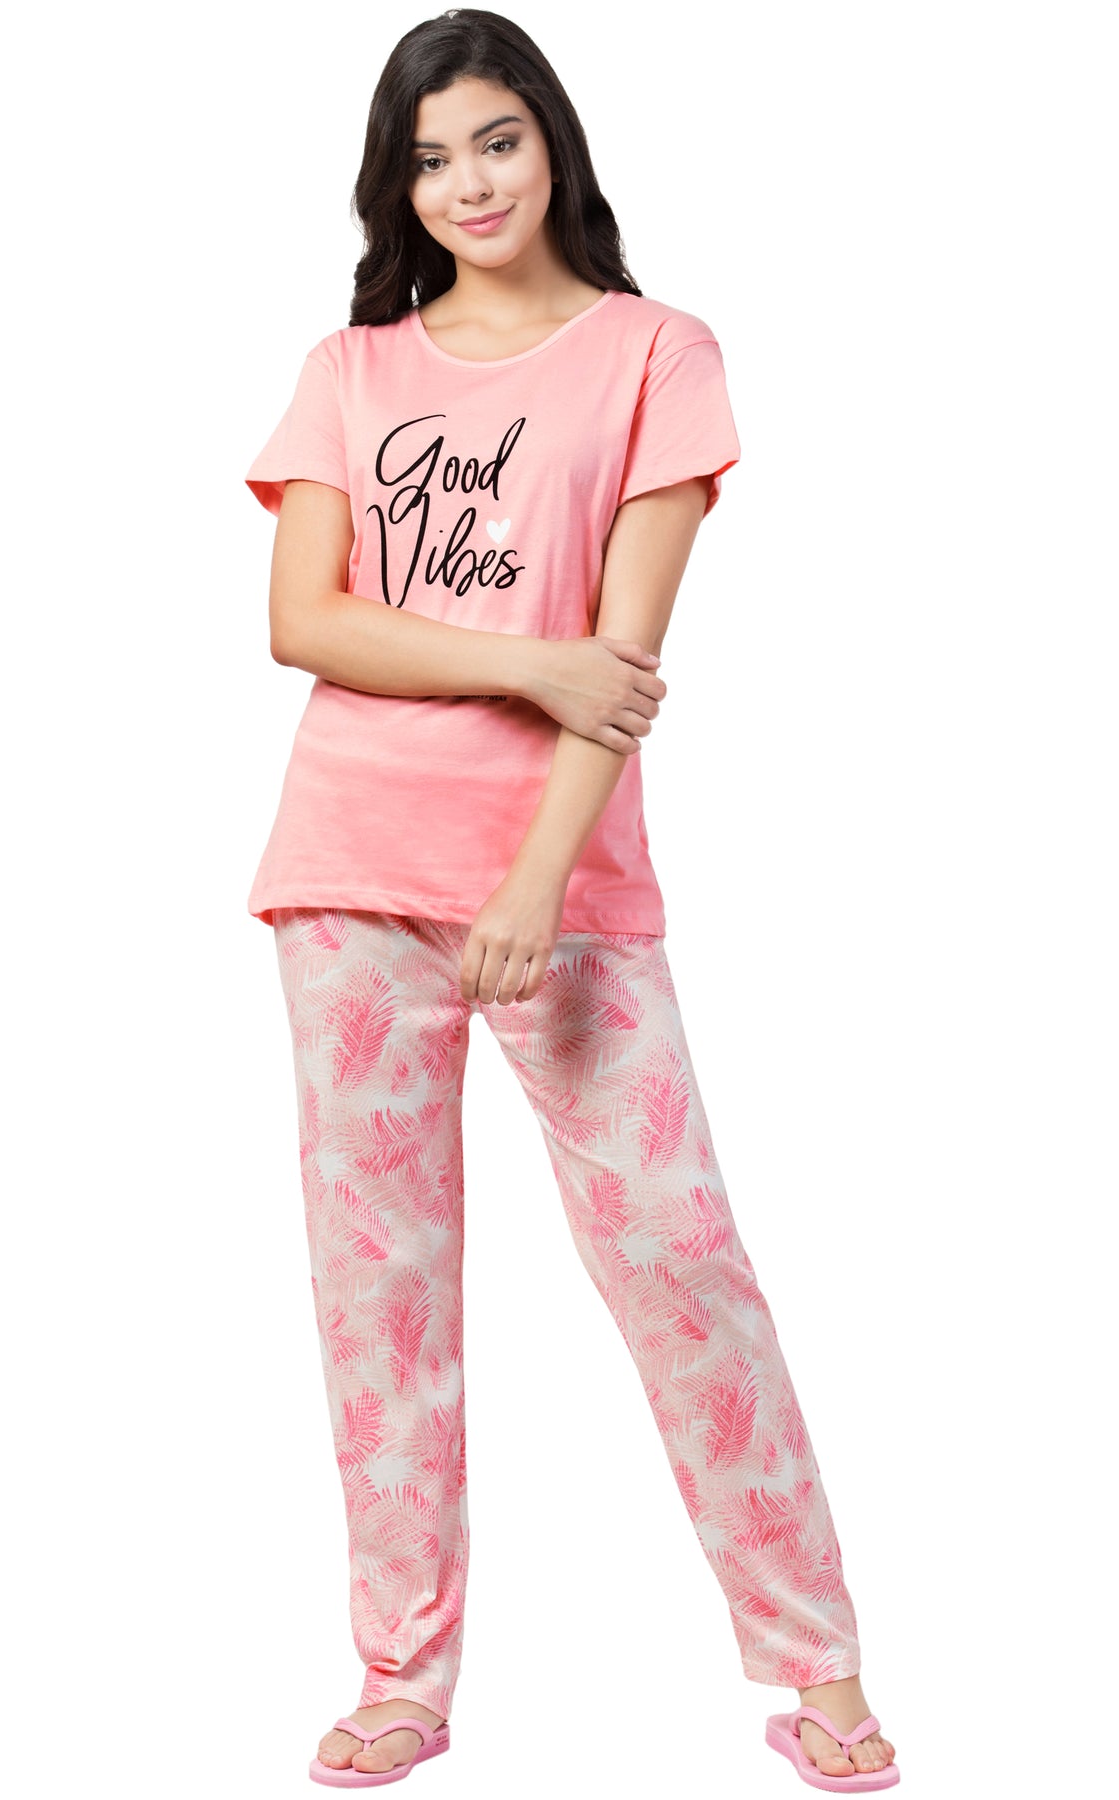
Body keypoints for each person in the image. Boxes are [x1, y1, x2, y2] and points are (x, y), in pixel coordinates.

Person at [244, 8, 899, 1791]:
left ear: (553, 142)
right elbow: (302, 621)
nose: (467, 184)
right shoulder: (350, 369)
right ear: (395, 185)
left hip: (561, 885)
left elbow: (630, 662)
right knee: (380, 1294)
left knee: (680, 1257)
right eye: (429, 159)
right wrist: (530, 664)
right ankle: (403, 1675)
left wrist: (537, 876)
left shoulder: (656, 354)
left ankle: (820, 1664)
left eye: (496, 141)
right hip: (348, 866)